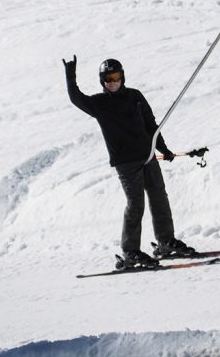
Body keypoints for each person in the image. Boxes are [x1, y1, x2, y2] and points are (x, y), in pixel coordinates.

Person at [63, 55, 196, 269]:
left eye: (115, 76)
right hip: (125, 162)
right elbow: (77, 98)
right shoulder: (99, 104)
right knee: (136, 204)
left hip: (148, 154)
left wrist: (163, 148)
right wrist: (70, 76)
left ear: (122, 76)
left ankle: (166, 242)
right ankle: (130, 251)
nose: (112, 82)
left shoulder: (135, 96)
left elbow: (151, 124)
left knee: (159, 197)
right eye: (107, 79)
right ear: (102, 81)